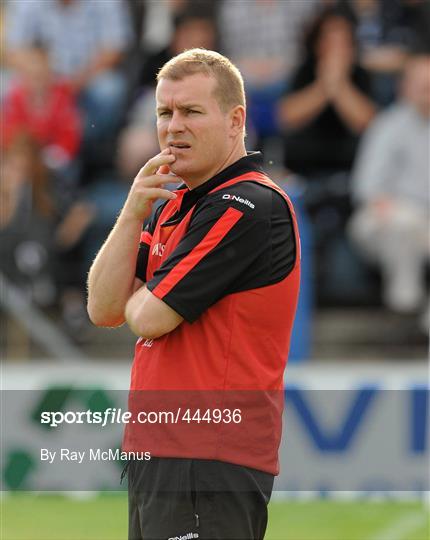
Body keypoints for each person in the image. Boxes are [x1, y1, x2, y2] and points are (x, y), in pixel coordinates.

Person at [87, 49, 300, 539]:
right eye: (165, 112)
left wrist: (140, 296)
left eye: (191, 111)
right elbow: (103, 308)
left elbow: (147, 317)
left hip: (208, 456)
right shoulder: (171, 202)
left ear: (235, 120)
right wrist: (130, 214)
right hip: (160, 451)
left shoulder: (248, 204)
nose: (173, 126)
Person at [348, 52, 430, 329]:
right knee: (403, 223)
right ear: (405, 86)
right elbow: (368, 188)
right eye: (422, 85)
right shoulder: (387, 125)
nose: (426, 92)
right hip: (388, 218)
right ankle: (404, 311)